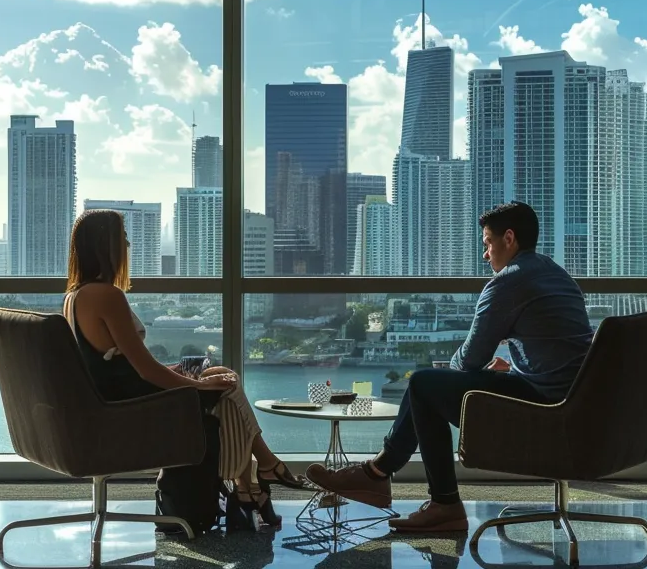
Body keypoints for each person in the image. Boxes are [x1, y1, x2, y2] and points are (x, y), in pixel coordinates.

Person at [305, 202, 594, 532]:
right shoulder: (558, 275)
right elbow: (558, 350)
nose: (485, 254)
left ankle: (430, 497)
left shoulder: (509, 282)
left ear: (509, 238)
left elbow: (470, 358)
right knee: (427, 385)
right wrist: (513, 369)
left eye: (487, 243)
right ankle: (378, 473)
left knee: (423, 385)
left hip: (544, 411)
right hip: (573, 405)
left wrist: (446, 370)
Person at [62, 210, 307, 529]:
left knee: (219, 374)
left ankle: (256, 480)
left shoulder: (75, 296)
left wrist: (181, 371)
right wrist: (198, 387)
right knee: (226, 386)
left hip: (120, 398)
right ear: (105, 246)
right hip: (133, 408)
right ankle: (257, 478)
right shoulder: (107, 296)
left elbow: (117, 363)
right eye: (122, 239)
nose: (128, 244)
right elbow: (145, 371)